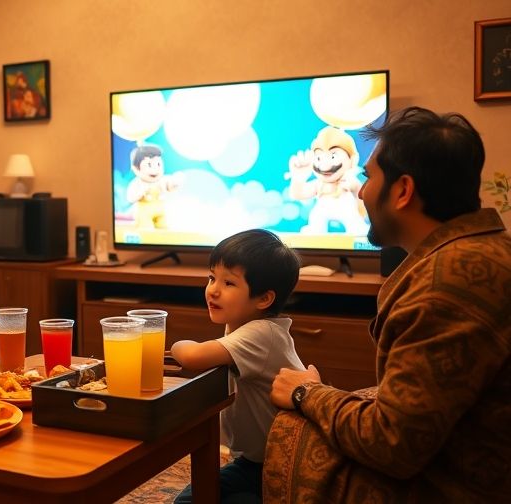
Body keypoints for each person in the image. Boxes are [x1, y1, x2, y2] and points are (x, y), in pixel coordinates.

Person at [266, 107, 511, 502]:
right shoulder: (485, 249)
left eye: (367, 176)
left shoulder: (444, 288)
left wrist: (307, 393)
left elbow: (392, 444)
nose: (361, 191)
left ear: (402, 191)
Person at [169, 229, 304, 504]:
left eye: (229, 283)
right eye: (211, 278)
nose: (213, 290)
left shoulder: (262, 334)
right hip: (250, 462)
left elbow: (192, 356)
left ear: (264, 299)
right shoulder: (242, 326)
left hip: (283, 468)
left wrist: (174, 345)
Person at [127, 143, 182, 229]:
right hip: (143, 212)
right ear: (136, 169)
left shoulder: (162, 180)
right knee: (146, 228)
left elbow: (169, 187)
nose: (155, 169)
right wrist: (140, 194)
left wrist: (175, 182)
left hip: (160, 211)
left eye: (158, 164)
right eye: (149, 165)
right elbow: (130, 198)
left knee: (163, 227)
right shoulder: (137, 183)